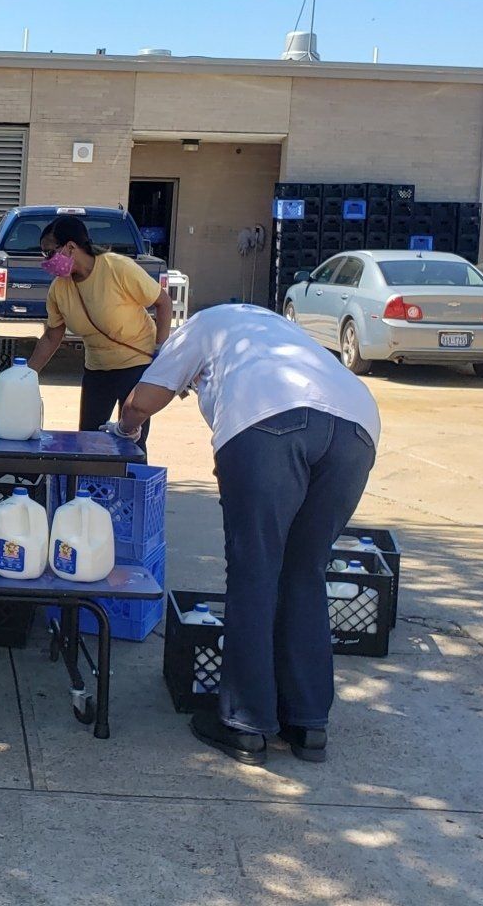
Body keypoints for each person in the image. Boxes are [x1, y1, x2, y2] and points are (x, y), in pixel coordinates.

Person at [112, 304, 380, 765]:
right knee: (305, 571)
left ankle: (246, 724)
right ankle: (308, 723)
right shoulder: (279, 329)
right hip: (357, 427)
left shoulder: (202, 325)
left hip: (267, 421)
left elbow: (145, 398)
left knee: (255, 570)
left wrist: (126, 427)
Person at [25, 214, 173, 444]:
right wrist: (26, 375)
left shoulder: (117, 267)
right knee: (88, 440)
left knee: (132, 442)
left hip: (137, 366)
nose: (46, 261)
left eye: (49, 253)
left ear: (71, 247)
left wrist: (160, 350)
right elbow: (52, 335)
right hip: (97, 370)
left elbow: (163, 303)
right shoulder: (59, 289)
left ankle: (133, 469)